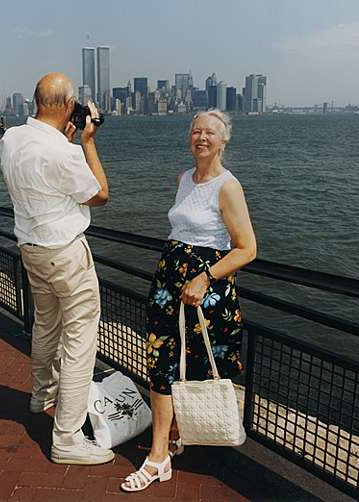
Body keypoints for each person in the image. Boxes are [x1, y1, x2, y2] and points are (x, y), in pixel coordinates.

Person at [121, 110, 257, 492]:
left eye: (209, 132)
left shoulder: (228, 187)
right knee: (160, 361)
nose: (201, 137)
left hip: (204, 292)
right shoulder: (184, 179)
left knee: (197, 365)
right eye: (196, 131)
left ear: (223, 140)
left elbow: (247, 248)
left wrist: (204, 277)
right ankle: (161, 451)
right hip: (169, 286)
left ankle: (173, 441)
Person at [0, 73, 114, 465]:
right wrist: (88, 142)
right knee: (80, 341)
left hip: (31, 249)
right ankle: (66, 439)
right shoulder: (65, 153)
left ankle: (41, 395)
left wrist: (65, 142)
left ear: (35, 101)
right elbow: (100, 194)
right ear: (68, 107)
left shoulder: (11, 138)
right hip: (65, 253)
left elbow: (35, 177)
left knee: (47, 325)